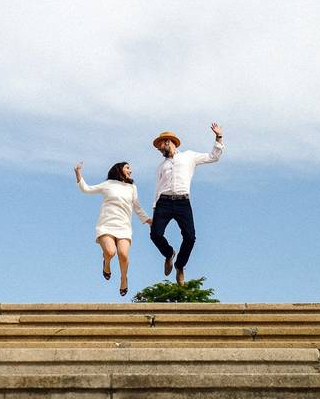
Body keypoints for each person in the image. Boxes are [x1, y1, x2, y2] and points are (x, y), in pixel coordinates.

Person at [149, 122, 224, 285]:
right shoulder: (161, 166)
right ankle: (169, 254)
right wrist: (154, 210)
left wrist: (218, 137)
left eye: (160, 145)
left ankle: (180, 265)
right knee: (155, 234)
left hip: (183, 202)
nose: (159, 148)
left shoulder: (189, 156)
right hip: (164, 202)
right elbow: (157, 188)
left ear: (169, 142)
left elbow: (213, 157)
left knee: (190, 237)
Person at [74, 161, 152, 297]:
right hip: (106, 224)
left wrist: (147, 220)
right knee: (110, 252)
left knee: (123, 254)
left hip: (124, 226)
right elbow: (86, 189)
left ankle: (123, 279)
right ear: (119, 169)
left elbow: (137, 207)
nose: (130, 171)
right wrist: (78, 173)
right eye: (128, 168)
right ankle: (106, 263)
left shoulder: (132, 187)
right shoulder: (108, 184)